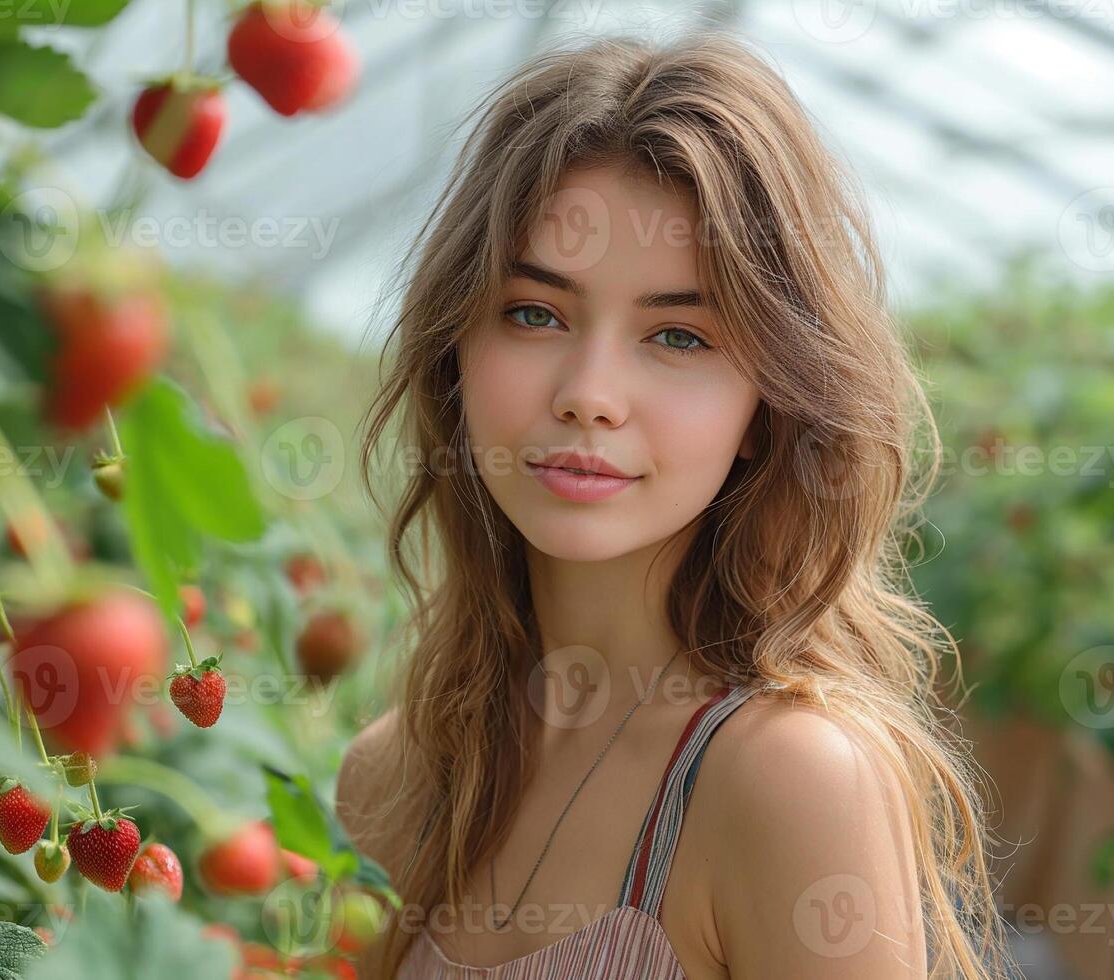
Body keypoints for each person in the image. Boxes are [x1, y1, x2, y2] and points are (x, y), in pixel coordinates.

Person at [336, 29, 1010, 980]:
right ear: (456, 354)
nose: (591, 392)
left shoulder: (791, 779)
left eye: (679, 336)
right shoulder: (390, 776)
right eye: (535, 313)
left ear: (766, 408)